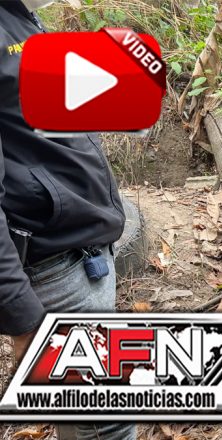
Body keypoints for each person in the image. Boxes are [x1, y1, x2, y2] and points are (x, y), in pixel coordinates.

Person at [0, 1, 135, 439]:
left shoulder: (18, 15)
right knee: (108, 421)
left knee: (81, 416)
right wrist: (22, 315)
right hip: (53, 266)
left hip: (82, 252)